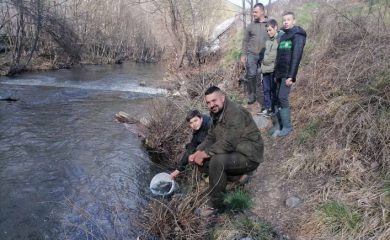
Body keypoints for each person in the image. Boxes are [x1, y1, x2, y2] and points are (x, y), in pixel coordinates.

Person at [189, 86, 264, 212]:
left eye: (214, 101)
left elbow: (229, 143)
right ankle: (237, 178)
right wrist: (198, 151)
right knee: (200, 158)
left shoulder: (235, 112)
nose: (211, 105)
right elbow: (211, 137)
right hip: (234, 151)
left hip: (249, 154)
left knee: (216, 161)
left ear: (222, 98)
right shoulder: (215, 113)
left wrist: (205, 153)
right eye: (208, 102)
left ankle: (216, 205)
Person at [272, 11, 306, 137]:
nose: (285, 22)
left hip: (288, 73)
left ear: (294, 21)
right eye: (284, 20)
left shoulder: (297, 35)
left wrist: (292, 76)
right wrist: (276, 74)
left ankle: (287, 127)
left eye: (288, 19)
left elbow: (296, 56)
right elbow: (279, 57)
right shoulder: (284, 35)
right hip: (280, 73)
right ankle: (279, 125)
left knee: (282, 98)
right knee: (276, 98)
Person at [240, 3, 269, 105]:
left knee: (265, 75)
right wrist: (243, 54)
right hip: (251, 54)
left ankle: (266, 96)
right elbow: (245, 41)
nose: (253, 14)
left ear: (262, 12)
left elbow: (275, 36)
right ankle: (252, 95)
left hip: (265, 55)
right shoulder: (251, 26)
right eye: (253, 12)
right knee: (251, 75)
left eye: (255, 12)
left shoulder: (269, 24)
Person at [170, 110, 211, 179]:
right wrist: (178, 170)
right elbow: (191, 147)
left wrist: (200, 153)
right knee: (190, 148)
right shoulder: (197, 130)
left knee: (201, 159)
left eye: (195, 120)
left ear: (201, 118)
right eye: (191, 123)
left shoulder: (211, 125)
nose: (194, 124)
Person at [261, 19, 283, 116]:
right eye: (267, 31)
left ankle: (274, 109)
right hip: (265, 70)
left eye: (270, 30)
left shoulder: (280, 39)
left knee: (273, 91)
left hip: (273, 70)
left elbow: (279, 56)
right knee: (266, 90)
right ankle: (267, 107)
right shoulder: (268, 41)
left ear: (276, 28)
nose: (268, 32)